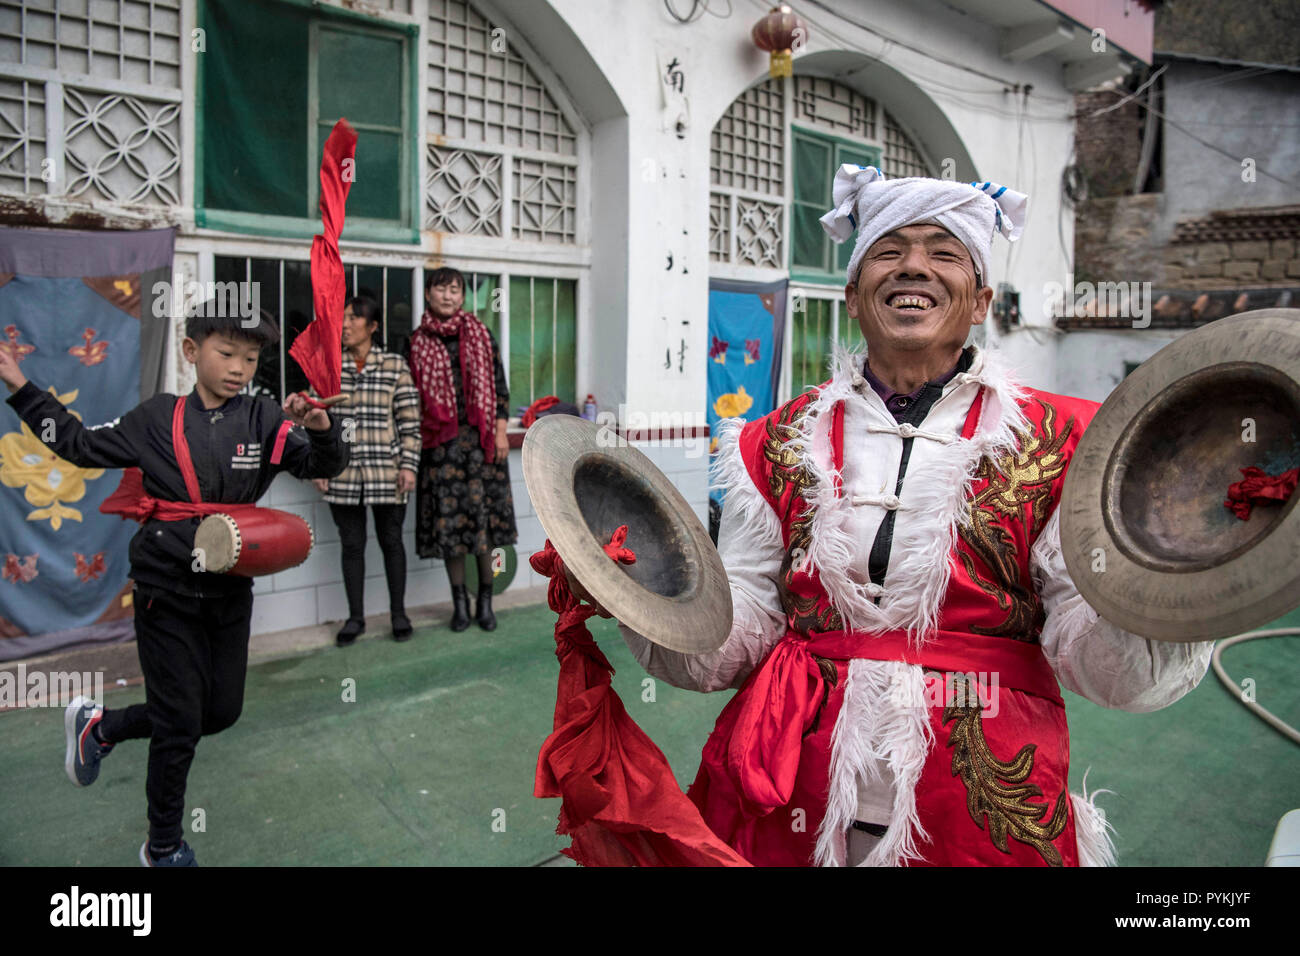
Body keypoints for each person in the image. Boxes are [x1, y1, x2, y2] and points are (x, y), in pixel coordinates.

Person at [602, 167, 1214, 866]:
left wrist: (1177, 593)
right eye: (888, 251)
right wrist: (649, 591)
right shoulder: (768, 442)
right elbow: (741, 630)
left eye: (943, 252)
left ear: (981, 299)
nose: (913, 266)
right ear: (853, 296)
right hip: (791, 784)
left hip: (982, 797)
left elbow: (1091, 652)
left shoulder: (1066, 442)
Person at [0, 306, 349, 866]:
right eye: (226, 353)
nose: (239, 367)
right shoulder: (156, 418)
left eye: (251, 358)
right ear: (191, 352)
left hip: (232, 586)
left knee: (220, 713)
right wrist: (19, 386)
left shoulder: (264, 418)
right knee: (181, 723)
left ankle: (103, 726)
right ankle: (162, 845)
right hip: (165, 587)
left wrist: (320, 427)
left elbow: (323, 464)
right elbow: (78, 446)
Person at [408, 267, 517, 632]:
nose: (448, 296)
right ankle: (459, 603)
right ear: (428, 294)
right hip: (441, 450)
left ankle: (485, 600)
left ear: (462, 296)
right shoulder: (416, 341)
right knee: (451, 530)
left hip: (483, 448)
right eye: (441, 289)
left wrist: (501, 432)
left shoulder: (481, 334)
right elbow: (410, 401)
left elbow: (500, 389)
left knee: (484, 529)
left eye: (455, 289)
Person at [313, 294, 422, 646]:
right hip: (342, 472)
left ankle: (398, 614)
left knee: (392, 542)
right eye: (342, 318)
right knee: (352, 545)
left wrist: (408, 465)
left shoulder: (394, 366)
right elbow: (317, 421)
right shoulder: (329, 366)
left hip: (387, 471)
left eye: (353, 319)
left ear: (373, 326)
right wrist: (319, 465)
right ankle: (356, 618)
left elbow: (409, 421)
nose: (344, 325)